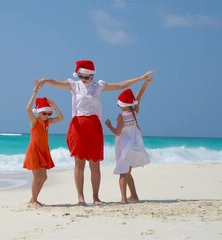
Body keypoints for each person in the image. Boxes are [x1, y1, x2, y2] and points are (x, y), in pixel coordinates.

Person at [34, 59, 154, 205]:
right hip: (78, 126)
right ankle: (80, 198)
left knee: (95, 164)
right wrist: (45, 80)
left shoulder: (98, 86)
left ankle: (96, 197)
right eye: (81, 76)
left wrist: (141, 78)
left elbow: (121, 85)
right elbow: (55, 82)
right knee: (79, 163)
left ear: (92, 76)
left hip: (94, 127)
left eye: (87, 77)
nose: (84, 80)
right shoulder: (74, 85)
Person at [104, 78, 152, 204]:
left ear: (120, 105)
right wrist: (146, 83)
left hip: (124, 147)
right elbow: (139, 96)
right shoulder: (135, 113)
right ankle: (134, 196)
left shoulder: (121, 116)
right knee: (128, 172)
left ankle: (124, 199)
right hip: (134, 147)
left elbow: (118, 132)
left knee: (122, 173)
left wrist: (108, 125)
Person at [23, 84, 64, 208]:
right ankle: (34, 200)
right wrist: (34, 93)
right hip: (34, 151)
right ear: (39, 112)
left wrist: (55, 105)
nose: (47, 115)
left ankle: (33, 199)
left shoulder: (47, 122)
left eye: (48, 113)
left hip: (44, 150)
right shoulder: (35, 121)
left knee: (44, 176)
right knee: (37, 176)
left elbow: (61, 118)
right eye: (44, 113)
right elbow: (28, 109)